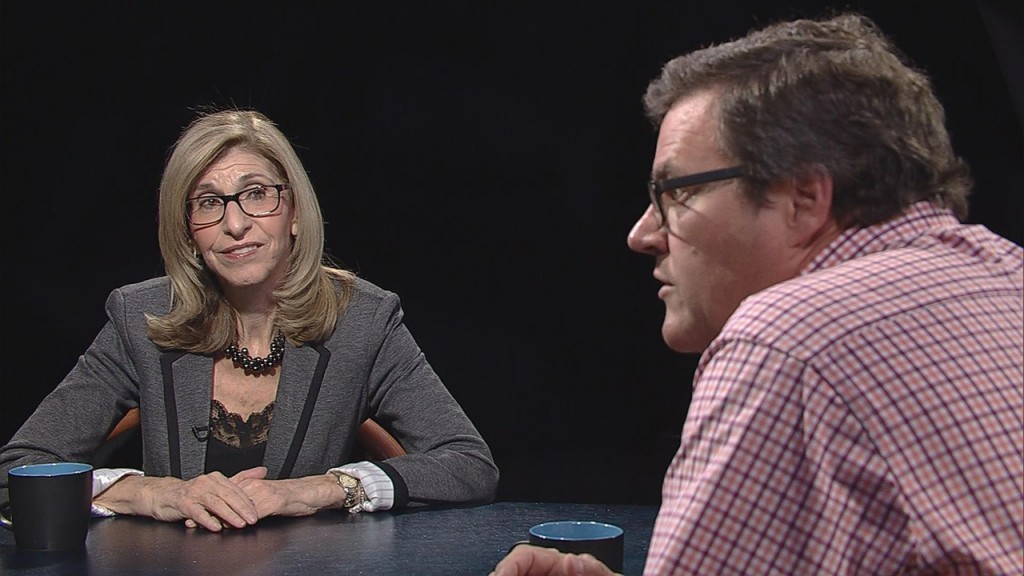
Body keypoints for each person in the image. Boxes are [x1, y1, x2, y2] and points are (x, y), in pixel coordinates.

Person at [492, 12, 1023, 576]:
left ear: (803, 198)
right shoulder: (1007, 274)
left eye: (673, 193)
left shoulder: (785, 340)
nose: (643, 234)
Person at [0, 109, 499, 532]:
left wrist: (320, 490)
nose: (235, 224)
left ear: (295, 213)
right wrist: (148, 493)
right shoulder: (141, 320)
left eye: (256, 193)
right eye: (209, 203)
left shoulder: (363, 320)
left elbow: (468, 464)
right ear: (189, 232)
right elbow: (15, 472)